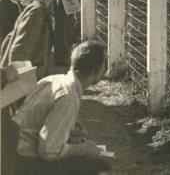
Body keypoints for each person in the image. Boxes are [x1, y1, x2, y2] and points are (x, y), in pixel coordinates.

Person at [13, 40, 113, 175]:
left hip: (12, 149)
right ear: (98, 69)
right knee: (100, 165)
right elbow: (48, 151)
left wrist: (70, 129)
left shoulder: (54, 79)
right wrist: (83, 148)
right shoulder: (68, 96)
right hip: (24, 163)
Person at [1, 0, 63, 80]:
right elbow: (18, 53)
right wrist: (22, 86)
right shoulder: (36, 12)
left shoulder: (39, 9)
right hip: (23, 84)